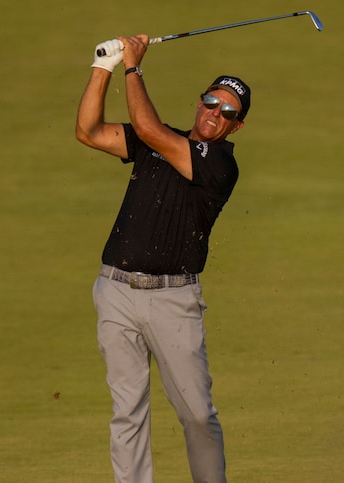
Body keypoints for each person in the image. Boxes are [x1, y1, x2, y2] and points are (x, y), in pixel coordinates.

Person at [75, 34, 250, 483]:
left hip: (173, 301)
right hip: (114, 290)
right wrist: (103, 67)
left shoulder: (220, 164)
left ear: (237, 126)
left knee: (196, 414)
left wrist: (134, 67)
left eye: (228, 112)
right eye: (212, 102)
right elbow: (88, 131)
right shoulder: (158, 140)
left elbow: (150, 130)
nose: (216, 114)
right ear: (200, 101)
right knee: (127, 414)